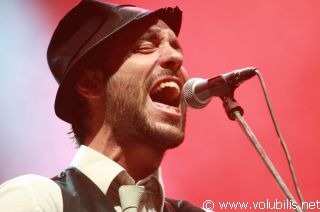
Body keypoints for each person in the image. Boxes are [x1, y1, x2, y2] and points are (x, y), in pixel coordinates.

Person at [0, 0, 203, 211]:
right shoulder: (35, 200)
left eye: (176, 47)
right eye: (146, 46)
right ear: (90, 83)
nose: (176, 57)